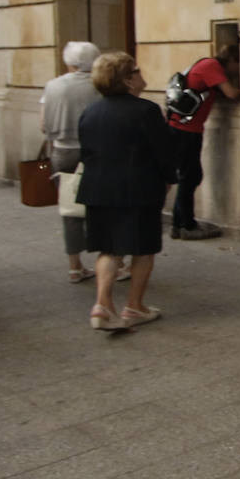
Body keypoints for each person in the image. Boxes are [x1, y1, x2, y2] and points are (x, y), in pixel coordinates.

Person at [77, 52, 175, 330]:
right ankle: (134, 306)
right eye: (137, 70)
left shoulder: (90, 111)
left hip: (98, 189)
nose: (141, 74)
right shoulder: (145, 111)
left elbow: (85, 152)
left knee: (109, 249)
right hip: (138, 189)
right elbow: (162, 151)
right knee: (143, 250)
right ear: (127, 79)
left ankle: (102, 304)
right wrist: (169, 177)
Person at [40, 41, 102, 283]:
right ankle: (110, 263)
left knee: (70, 209)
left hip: (62, 152)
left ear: (69, 62)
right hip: (95, 152)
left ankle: (75, 266)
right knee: (101, 207)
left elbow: (43, 125)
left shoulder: (53, 85)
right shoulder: (99, 86)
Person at [169, 43, 240, 240]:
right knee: (189, 177)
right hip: (186, 130)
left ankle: (178, 224)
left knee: (188, 177)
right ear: (232, 60)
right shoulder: (212, 67)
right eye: (238, 64)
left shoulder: (205, 64)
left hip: (184, 128)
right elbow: (231, 93)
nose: (238, 70)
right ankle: (187, 226)